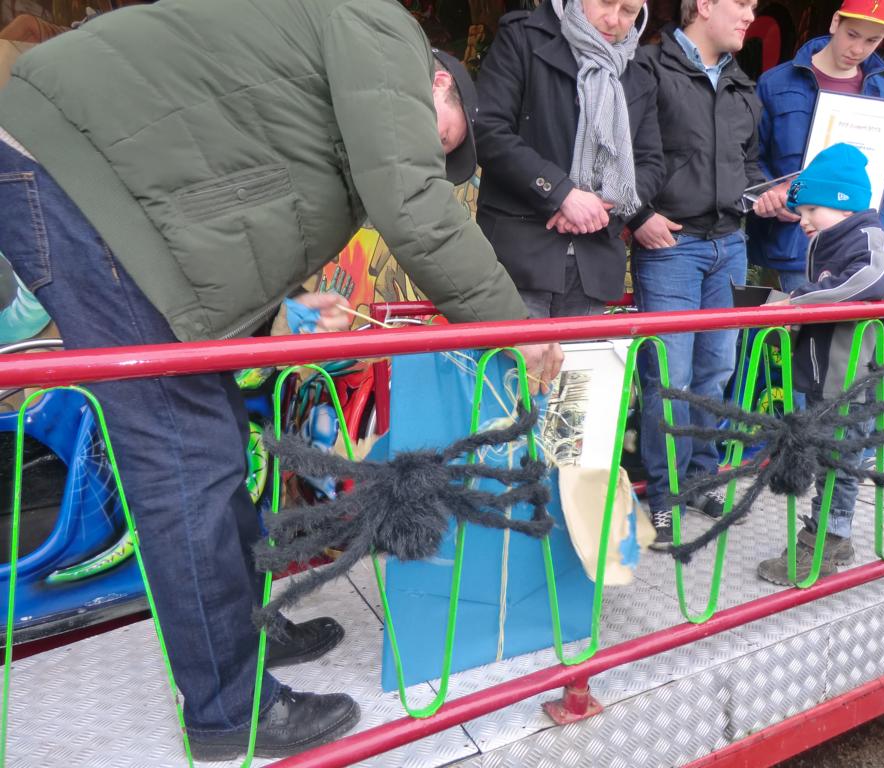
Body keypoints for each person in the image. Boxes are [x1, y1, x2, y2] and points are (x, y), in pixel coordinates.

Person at [0, 0, 562, 760]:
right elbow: (412, 205)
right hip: (77, 180)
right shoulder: (384, 31)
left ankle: (248, 634)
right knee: (186, 459)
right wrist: (514, 331)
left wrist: (284, 307)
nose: (429, 153)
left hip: (101, 188)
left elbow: (229, 206)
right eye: (441, 137)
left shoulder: (327, 80)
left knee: (216, 440)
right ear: (437, 82)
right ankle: (229, 712)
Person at [747, 0, 884, 482]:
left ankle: (850, 456)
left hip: (863, 238)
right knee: (810, 351)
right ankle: (809, 454)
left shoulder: (882, 88)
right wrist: (769, 193)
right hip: (798, 239)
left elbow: (880, 175)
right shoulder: (777, 82)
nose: (859, 49)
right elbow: (753, 155)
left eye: (872, 40)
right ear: (834, 23)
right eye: (853, 35)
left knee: (863, 353)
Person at [631, 0, 772, 549]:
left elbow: (748, 164)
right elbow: (622, 149)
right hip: (672, 245)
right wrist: (637, 215)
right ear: (705, 5)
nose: (750, 15)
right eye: (742, 4)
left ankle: (699, 479)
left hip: (730, 242)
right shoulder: (648, 65)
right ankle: (664, 496)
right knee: (670, 379)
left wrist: (768, 195)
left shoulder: (741, 82)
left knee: (716, 370)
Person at [756, 143, 884, 584]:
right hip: (826, 374)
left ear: (844, 203)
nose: (803, 220)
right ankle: (835, 532)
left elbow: (872, 278)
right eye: (801, 211)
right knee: (832, 455)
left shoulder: (869, 237)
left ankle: (823, 540)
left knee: (840, 456)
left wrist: (798, 302)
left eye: (811, 210)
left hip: (854, 377)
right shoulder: (828, 240)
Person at [474, 0, 664, 319]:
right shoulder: (523, 37)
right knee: (514, 355)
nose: (614, 19)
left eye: (628, 11)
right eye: (605, 3)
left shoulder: (638, 72)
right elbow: (487, 129)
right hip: (518, 255)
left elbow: (651, 164)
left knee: (581, 356)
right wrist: (560, 193)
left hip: (594, 261)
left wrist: (599, 209)